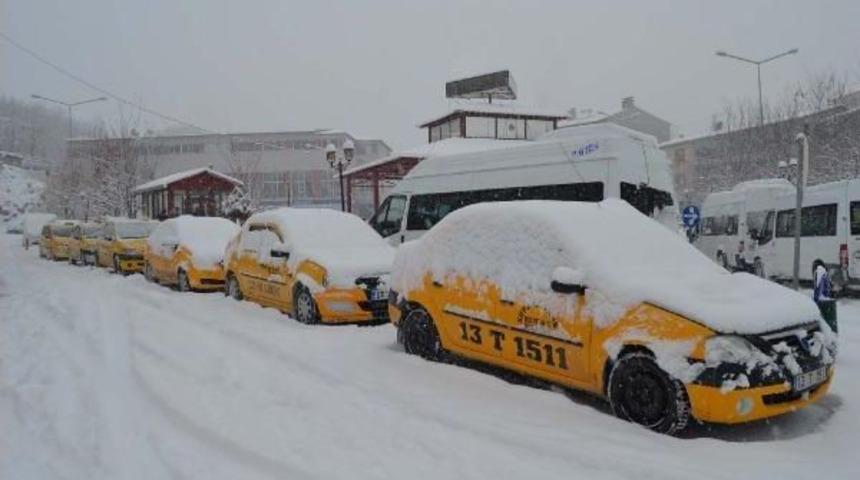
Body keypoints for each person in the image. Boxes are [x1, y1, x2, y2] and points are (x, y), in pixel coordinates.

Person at [813, 261, 837, 333]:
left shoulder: (821, 274)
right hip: (827, 304)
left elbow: (818, 291)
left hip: (824, 304)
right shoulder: (824, 274)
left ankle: (828, 332)